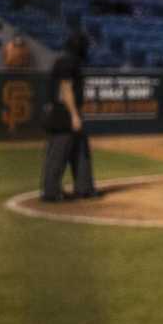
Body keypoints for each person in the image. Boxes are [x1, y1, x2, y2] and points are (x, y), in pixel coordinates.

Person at [40, 33, 99, 202]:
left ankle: (84, 188)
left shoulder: (70, 61)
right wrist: (74, 115)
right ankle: (51, 192)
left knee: (81, 150)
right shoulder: (67, 62)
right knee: (58, 153)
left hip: (67, 112)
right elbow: (65, 89)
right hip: (63, 114)